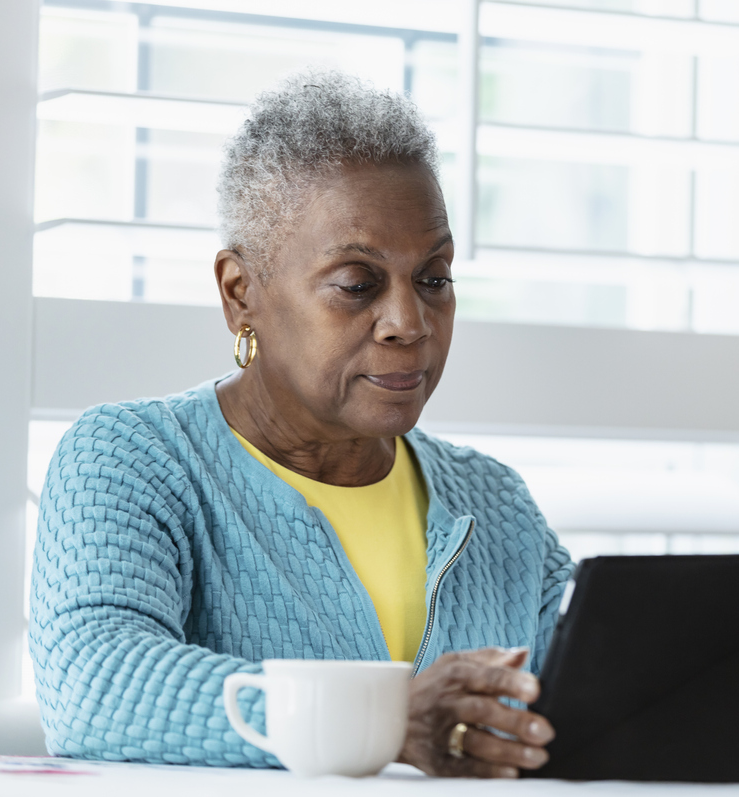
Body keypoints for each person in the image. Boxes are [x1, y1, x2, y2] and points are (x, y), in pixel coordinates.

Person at [29, 68, 573, 778]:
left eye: (434, 277)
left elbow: (594, 705)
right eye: (357, 284)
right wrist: (388, 718)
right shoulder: (132, 460)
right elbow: (93, 686)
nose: (409, 323)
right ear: (240, 293)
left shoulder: (494, 503)